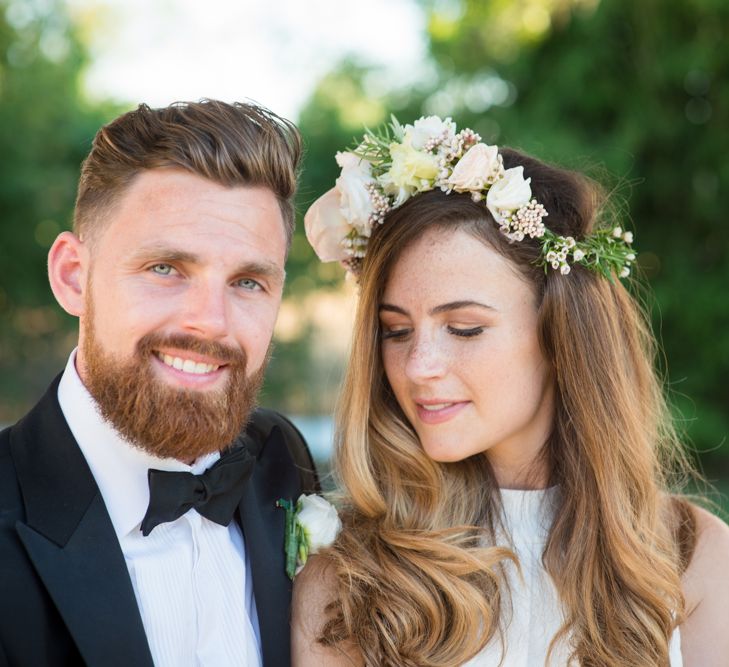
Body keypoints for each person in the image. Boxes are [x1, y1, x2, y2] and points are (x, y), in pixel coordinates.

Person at [293, 116, 729, 666]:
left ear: (560, 334)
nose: (417, 366)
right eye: (395, 331)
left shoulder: (694, 555)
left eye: (465, 328)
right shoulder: (347, 572)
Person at [0, 100, 318, 667]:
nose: (211, 322)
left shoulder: (283, 460)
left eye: (248, 281)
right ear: (74, 277)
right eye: (166, 268)